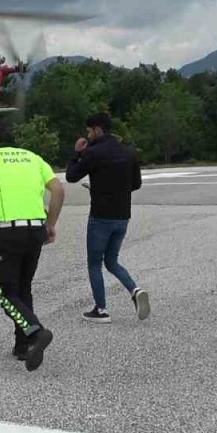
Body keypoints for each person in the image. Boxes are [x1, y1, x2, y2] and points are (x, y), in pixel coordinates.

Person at [0, 137, 65, 372]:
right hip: (35, 230)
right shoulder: (34, 159)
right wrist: (51, 223)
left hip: (8, 232)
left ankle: (35, 331)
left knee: (5, 294)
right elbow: (58, 190)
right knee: (24, 288)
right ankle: (23, 346)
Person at [65, 112, 150, 323]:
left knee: (94, 262)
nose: (87, 134)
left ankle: (101, 310)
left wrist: (77, 153)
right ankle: (134, 289)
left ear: (98, 130)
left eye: (89, 130)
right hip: (123, 217)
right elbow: (136, 184)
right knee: (111, 260)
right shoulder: (128, 152)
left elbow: (71, 176)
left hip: (100, 216)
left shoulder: (92, 153)